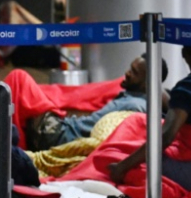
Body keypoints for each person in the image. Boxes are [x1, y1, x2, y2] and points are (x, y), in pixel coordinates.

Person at [108, 46, 191, 198]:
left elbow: (165, 137)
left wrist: (121, 167)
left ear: (184, 54)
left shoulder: (189, 87)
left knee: (123, 158)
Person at [24, 54, 169, 151]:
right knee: (23, 91)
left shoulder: (134, 107)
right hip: (65, 129)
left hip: (62, 135)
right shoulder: (132, 97)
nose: (127, 73)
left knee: (20, 81)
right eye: (130, 68)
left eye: (134, 72)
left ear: (147, 84)